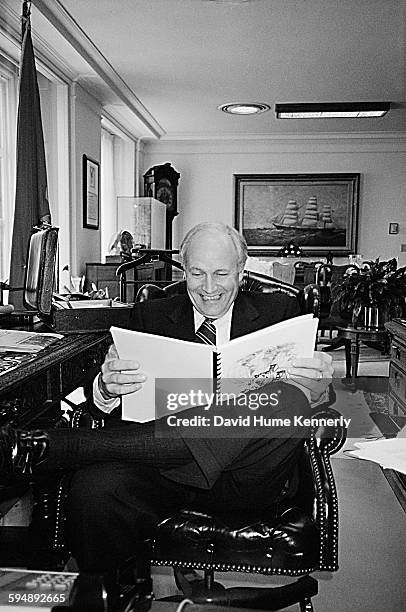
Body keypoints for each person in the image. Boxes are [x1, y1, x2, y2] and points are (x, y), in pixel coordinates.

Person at [1, 222, 333, 607]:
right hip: (163, 471)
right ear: (184, 270)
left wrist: (317, 387)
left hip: (247, 478)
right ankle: (109, 597)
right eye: (197, 273)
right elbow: (104, 398)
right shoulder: (151, 316)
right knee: (96, 488)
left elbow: (310, 398)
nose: (209, 287)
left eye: (222, 273)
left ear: (242, 272)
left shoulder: (281, 312)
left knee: (287, 401)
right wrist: (106, 388)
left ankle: (58, 447)